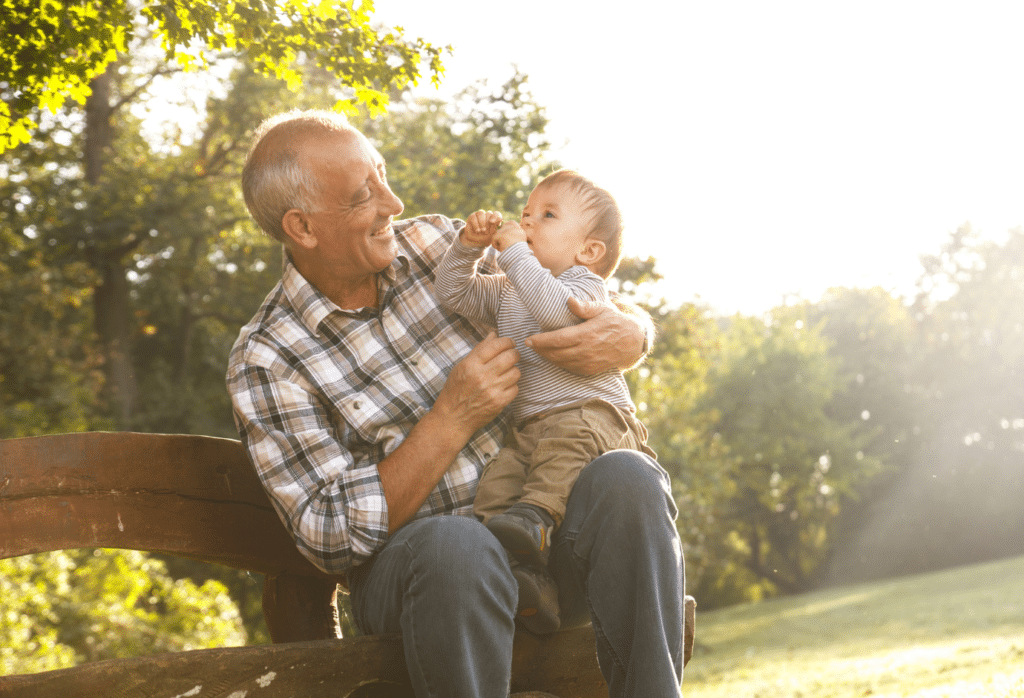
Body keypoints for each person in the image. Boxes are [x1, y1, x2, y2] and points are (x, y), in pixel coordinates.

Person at [226, 108, 686, 697]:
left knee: (629, 475)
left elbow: (573, 283)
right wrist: (450, 419)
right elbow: (328, 536)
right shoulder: (268, 358)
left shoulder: (439, 243)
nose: (393, 203)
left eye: (384, 175)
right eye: (364, 195)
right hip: (425, 581)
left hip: (546, 550)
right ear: (303, 227)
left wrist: (633, 330)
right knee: (456, 541)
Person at [434, 170, 656, 634]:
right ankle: (531, 582)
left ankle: (535, 519)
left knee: (559, 456)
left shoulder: (584, 285)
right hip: (528, 429)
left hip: (592, 416)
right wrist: (468, 248)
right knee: (497, 488)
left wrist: (513, 252)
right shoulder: (509, 287)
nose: (528, 223)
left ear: (588, 251)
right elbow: (454, 292)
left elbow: (555, 312)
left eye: (547, 216)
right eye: (524, 215)